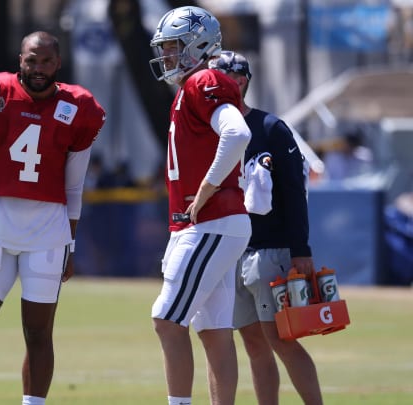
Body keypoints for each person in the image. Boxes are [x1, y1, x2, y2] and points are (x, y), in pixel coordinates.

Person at [0, 31, 105, 405]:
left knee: (39, 333)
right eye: (31, 60)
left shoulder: (79, 107)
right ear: (20, 59)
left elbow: (74, 189)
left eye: (46, 61)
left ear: (57, 64)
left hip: (47, 237)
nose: (38, 68)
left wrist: (70, 246)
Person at [147, 7, 252, 405]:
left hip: (211, 221)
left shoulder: (204, 80)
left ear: (199, 45)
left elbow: (237, 133)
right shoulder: (190, 86)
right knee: (213, 330)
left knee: (166, 319)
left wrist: (208, 186)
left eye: (174, 47)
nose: (168, 56)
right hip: (214, 223)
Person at [209, 51, 324, 405]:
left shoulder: (270, 127)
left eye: (232, 78)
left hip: (269, 249)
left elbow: (294, 189)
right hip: (229, 250)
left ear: (244, 81)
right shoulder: (205, 131)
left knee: (281, 339)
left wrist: (300, 249)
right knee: (252, 343)